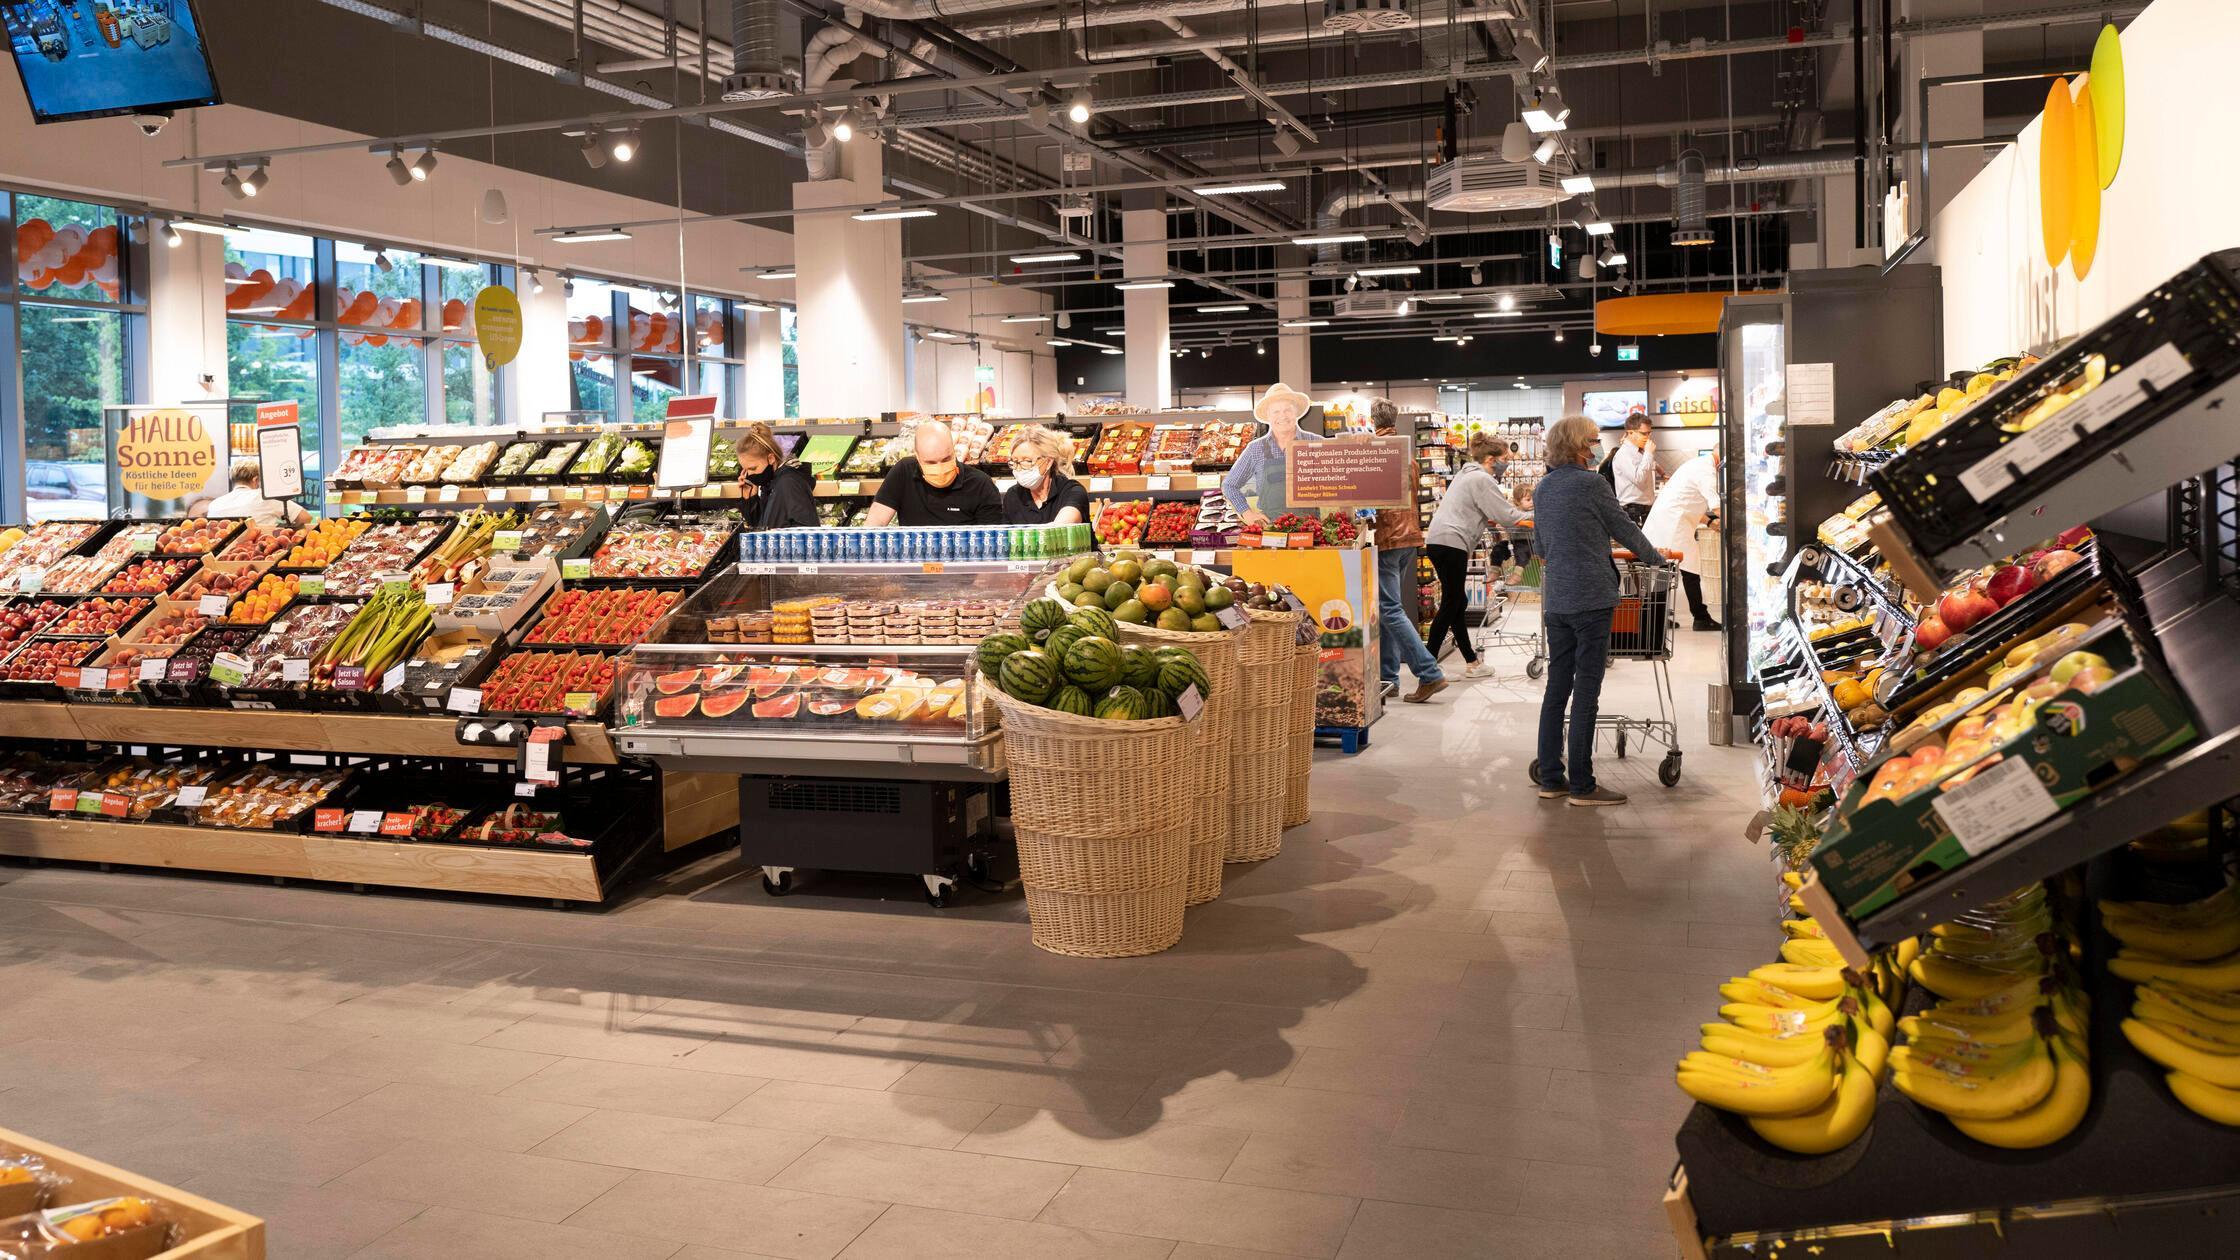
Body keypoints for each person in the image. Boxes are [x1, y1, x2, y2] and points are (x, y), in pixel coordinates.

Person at [1532, 414, 1665, 808]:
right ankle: (1583, 786)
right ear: (1576, 446)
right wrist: (1655, 560)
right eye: (1591, 442)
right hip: (1592, 598)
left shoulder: (1543, 488)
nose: (1595, 449)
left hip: (1556, 599)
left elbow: (1539, 547)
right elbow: (1624, 527)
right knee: (1587, 689)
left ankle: (1551, 778)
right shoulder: (1591, 484)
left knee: (1557, 687)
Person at [1423, 435, 1525, 678]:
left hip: (1440, 541)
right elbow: (1508, 515)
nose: (1506, 464)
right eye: (1504, 460)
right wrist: (1535, 514)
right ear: (1491, 459)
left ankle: (1472, 662)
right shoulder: (1481, 479)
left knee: (1457, 602)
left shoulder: (1466, 474)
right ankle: (1426, 666)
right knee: (1451, 603)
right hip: (1452, 542)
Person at [1369, 400, 1446, 703]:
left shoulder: (1375, 453)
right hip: (1409, 538)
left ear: (1371, 421)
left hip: (1387, 540)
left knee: (1389, 609)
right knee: (1390, 609)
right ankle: (1389, 679)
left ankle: (1429, 673)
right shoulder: (1409, 457)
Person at [1220, 382, 1325, 526]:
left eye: (1288, 410)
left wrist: (1359, 442)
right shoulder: (1255, 448)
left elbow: (1346, 470)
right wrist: (1247, 513)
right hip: (1272, 529)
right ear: (1268, 416)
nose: (1282, 416)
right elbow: (1229, 485)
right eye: (1276, 411)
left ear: (1296, 413)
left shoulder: (1316, 443)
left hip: (1310, 529)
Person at [865, 420, 1003, 526]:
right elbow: (875, 522)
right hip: (914, 561)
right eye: (930, 463)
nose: (940, 468)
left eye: (946, 459)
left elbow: (989, 544)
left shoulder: (981, 485)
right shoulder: (904, 471)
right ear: (917, 456)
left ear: (954, 450)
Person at [1643, 449, 1723, 630]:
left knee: (1668, 569)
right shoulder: (1707, 471)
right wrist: (1738, 525)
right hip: (1673, 525)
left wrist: (1709, 522)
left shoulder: (1698, 464)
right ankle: (1699, 617)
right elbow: (1717, 506)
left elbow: (1689, 502)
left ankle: (1656, 618)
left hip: (1671, 521)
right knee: (1686, 569)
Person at [734, 422, 818, 529]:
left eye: (753, 468)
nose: (749, 475)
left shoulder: (789, 483)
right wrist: (750, 500)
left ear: (771, 459)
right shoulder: (770, 483)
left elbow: (807, 533)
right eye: (745, 470)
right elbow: (763, 527)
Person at [1000, 425, 1090, 525]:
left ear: (1048, 462)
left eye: (1027, 461)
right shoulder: (1013, 495)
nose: (1019, 468)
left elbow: (1064, 524)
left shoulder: (1071, 491)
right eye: (1015, 462)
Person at [192, 460, 310, 528]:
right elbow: (305, 517)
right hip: (263, 554)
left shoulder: (215, 504)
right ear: (255, 480)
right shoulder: (265, 497)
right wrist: (284, 529)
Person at [1611, 414, 1659, 524]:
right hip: (1632, 511)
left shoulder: (1640, 452)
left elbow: (1648, 470)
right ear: (1630, 432)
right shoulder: (1624, 454)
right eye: (1643, 433)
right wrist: (1648, 454)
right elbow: (1639, 479)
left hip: (1645, 509)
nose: (1647, 437)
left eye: (1649, 433)